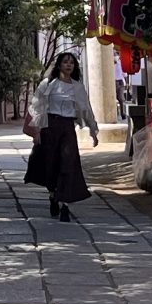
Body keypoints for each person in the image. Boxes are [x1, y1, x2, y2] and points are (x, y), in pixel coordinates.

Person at [23, 49, 100, 222]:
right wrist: (36, 132)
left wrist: (93, 131)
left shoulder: (78, 87)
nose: (68, 65)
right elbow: (37, 108)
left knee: (68, 163)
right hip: (49, 127)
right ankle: (53, 195)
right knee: (51, 165)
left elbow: (86, 110)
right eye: (65, 62)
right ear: (59, 65)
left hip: (67, 129)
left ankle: (65, 205)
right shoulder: (48, 84)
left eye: (71, 62)